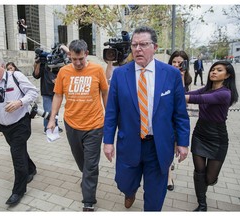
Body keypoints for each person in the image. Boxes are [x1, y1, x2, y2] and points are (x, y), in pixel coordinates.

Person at [103, 26, 190, 211]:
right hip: (129, 144)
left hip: (159, 146)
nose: (137, 49)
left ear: (155, 46)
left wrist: (183, 142)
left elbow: (180, 113)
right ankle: (130, 191)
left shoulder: (171, 74)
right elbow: (111, 112)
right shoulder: (120, 74)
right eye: (134, 45)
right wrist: (108, 141)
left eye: (143, 44)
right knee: (124, 183)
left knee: (155, 197)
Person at [47, 39, 108, 212]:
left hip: (95, 125)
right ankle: (87, 177)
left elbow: (105, 91)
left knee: (90, 165)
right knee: (81, 162)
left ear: (86, 54)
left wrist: (109, 115)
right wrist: (52, 119)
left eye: (81, 58)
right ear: (70, 56)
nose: (78, 63)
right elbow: (58, 95)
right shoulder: (64, 72)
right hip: (72, 124)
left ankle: (88, 201)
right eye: (74, 59)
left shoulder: (97, 69)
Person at [0, 54, 39, 206]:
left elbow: (33, 92)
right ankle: (31, 168)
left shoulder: (15, 76)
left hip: (21, 123)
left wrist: (19, 102)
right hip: (4, 127)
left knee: (16, 154)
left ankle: (18, 191)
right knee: (18, 149)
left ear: (2, 66)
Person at [185, 60, 239, 211]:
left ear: (227, 75)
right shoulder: (207, 88)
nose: (214, 72)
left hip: (217, 137)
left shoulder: (224, 94)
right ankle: (202, 204)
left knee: (209, 178)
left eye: (219, 70)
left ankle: (207, 183)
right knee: (199, 171)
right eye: (213, 69)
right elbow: (190, 94)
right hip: (200, 133)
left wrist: (178, 98)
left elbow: (198, 99)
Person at [167, 50, 192, 191]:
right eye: (174, 62)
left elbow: (184, 101)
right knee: (170, 147)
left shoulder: (186, 79)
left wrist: (181, 78)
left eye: (180, 63)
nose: (176, 65)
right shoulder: (164, 75)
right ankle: (168, 177)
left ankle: (169, 168)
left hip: (178, 118)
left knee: (176, 144)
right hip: (166, 118)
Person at [32, 46, 69, 133]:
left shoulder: (61, 64)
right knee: (48, 111)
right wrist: (37, 62)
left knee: (55, 111)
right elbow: (36, 75)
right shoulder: (44, 63)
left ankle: (55, 126)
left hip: (57, 92)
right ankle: (47, 128)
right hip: (46, 91)